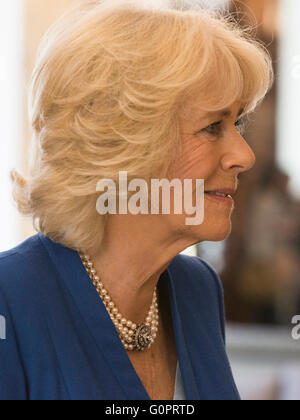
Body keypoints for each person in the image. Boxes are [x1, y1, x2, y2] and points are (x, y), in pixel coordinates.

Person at [0, 0, 273, 400]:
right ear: (122, 145)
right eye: (213, 126)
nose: (244, 156)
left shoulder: (198, 288)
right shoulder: (11, 299)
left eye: (238, 122)